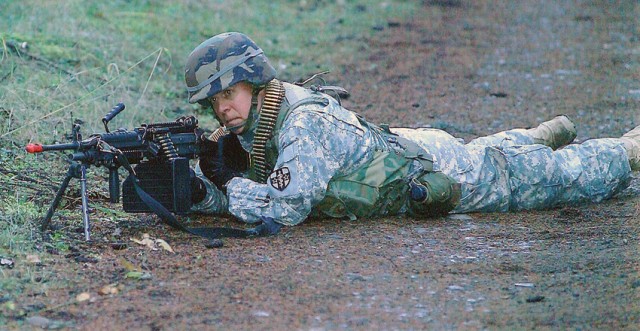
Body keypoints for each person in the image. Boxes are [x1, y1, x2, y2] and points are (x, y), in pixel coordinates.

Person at [185, 32, 640, 235]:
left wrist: (225, 189)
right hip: (419, 149)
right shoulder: (262, 121)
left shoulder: (303, 124)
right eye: (214, 101)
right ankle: (534, 137)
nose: (222, 108)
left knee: (561, 178)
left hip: (439, 170)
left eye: (230, 93)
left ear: (255, 80)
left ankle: (626, 149)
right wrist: (205, 187)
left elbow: (286, 209)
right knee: (489, 156)